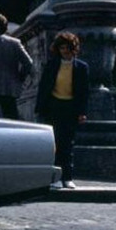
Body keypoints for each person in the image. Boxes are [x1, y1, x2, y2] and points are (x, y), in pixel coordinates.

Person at [36, 32, 89, 190]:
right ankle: (55, 178)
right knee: (55, 144)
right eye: (62, 48)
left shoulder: (81, 67)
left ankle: (67, 177)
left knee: (68, 144)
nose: (64, 51)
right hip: (54, 106)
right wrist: (40, 108)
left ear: (74, 49)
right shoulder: (52, 65)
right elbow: (43, 87)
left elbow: (84, 92)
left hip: (70, 107)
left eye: (67, 48)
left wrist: (82, 112)